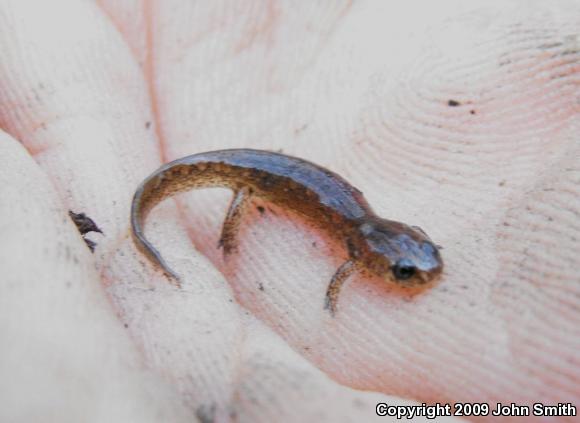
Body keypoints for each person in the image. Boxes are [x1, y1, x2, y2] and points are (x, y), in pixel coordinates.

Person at [1, 1, 578, 421]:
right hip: (257, 174)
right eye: (407, 270)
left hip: (276, 172)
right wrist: (321, 293)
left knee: (252, 189)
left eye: (417, 262)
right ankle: (165, 222)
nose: (421, 272)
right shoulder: (355, 248)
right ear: (371, 256)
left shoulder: (362, 240)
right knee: (244, 193)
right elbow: (337, 279)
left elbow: (368, 264)